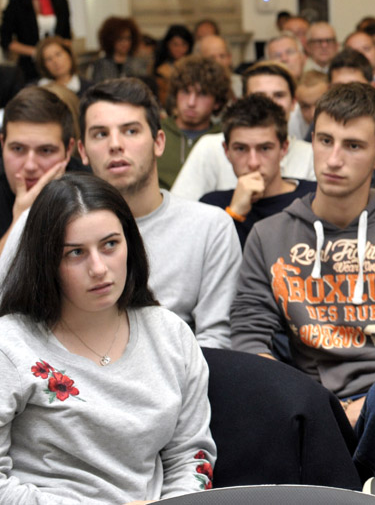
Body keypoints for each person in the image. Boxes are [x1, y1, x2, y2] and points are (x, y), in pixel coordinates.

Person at [231, 83, 375, 421]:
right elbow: (249, 339)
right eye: (325, 141)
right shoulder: (269, 235)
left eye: (353, 146)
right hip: (308, 404)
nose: (334, 160)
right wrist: (306, 404)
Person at [0, 173, 215, 502]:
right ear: (46, 262)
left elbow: (191, 458)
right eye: (75, 253)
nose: (99, 268)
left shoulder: (172, 336)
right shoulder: (10, 345)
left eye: (110, 244)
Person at [4, 78, 244, 349]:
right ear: (82, 151)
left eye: (130, 131)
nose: (115, 144)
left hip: (177, 369)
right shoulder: (39, 222)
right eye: (100, 134)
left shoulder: (210, 226)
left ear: (158, 142)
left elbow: (216, 340)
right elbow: (9, 317)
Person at [171, 62, 315, 201]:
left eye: (279, 95)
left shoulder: (310, 153)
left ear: (293, 102)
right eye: (259, 96)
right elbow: (180, 206)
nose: (269, 103)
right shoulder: (210, 146)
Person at [200, 94, 315, 248]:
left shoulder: (314, 197)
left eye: (265, 148)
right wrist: (234, 214)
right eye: (241, 149)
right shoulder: (211, 207)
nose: (253, 162)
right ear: (226, 151)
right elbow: (207, 260)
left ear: (284, 148)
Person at [0, 87, 77, 253]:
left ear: (68, 150)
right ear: (2, 144)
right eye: (18, 149)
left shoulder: (89, 186)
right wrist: (21, 218)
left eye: (46, 151)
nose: (30, 166)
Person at [158, 55, 231, 190]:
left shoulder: (224, 139)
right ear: (176, 94)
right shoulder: (156, 133)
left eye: (202, 94)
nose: (191, 102)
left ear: (217, 102)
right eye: (185, 92)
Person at [1, 0, 72, 82]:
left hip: (58, 68)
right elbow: (6, 40)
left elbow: (67, 37)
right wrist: (37, 52)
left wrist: (56, 54)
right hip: (29, 68)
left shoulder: (60, 1)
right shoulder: (16, 3)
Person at [87, 15, 146, 85]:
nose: (125, 43)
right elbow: (97, 87)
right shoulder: (101, 64)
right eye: (120, 39)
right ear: (111, 40)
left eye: (128, 38)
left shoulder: (138, 63)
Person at [153, 24, 195, 106]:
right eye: (175, 44)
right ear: (167, 45)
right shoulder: (162, 70)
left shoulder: (195, 66)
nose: (180, 49)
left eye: (184, 44)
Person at [197, 33, 243, 99]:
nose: (218, 62)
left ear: (229, 58)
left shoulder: (243, 83)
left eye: (222, 56)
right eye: (212, 58)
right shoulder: (195, 87)